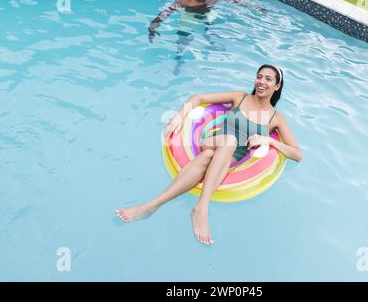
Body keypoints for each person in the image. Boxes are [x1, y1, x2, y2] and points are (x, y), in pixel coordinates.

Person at [116, 65, 302, 245]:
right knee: (228, 141)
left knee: (206, 158)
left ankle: (151, 205)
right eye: (259, 76)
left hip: (229, 157)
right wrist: (179, 117)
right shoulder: (240, 97)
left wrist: (270, 141)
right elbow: (198, 98)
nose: (261, 81)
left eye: (268, 79)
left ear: (277, 86)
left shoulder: (275, 118)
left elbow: (297, 154)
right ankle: (202, 207)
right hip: (214, 140)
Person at [148, 0, 267, 43]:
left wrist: (256, 7)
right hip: (190, 16)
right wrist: (152, 29)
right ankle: (179, 60)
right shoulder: (186, 0)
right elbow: (165, 13)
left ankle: (208, 36)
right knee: (183, 40)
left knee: (210, 29)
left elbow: (234, 1)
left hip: (208, 13)